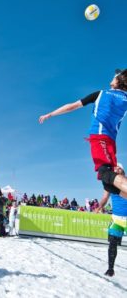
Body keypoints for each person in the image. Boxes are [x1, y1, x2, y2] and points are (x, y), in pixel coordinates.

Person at [39, 69, 127, 197]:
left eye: (115, 76)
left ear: (118, 81)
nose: (113, 77)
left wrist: (50, 114)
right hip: (110, 142)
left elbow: (73, 106)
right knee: (109, 185)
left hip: (99, 137)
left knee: (105, 174)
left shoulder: (101, 94)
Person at [95, 163, 127, 277]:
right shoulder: (110, 184)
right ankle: (110, 269)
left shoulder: (125, 182)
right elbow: (105, 197)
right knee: (112, 244)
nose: (117, 169)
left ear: (123, 170)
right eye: (116, 168)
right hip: (116, 219)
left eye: (120, 168)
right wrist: (100, 205)